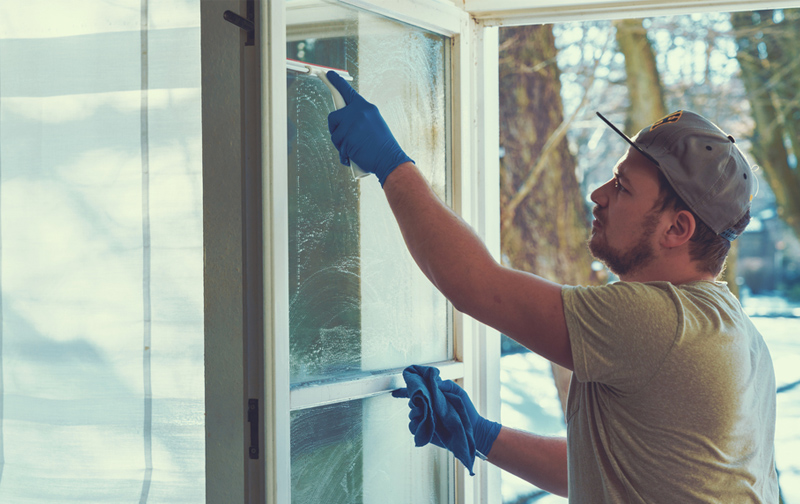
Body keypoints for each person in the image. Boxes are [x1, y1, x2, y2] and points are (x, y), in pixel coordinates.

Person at [324, 71, 778, 502]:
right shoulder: (735, 331)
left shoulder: (662, 322)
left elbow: (476, 286)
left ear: (677, 228)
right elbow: (603, 468)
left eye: (622, 186)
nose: (598, 194)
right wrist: (481, 433)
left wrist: (389, 163)